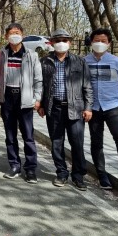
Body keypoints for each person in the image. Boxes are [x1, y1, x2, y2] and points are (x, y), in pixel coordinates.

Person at [38, 29, 93, 190]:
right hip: (53, 108)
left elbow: (88, 85)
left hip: (75, 108)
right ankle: (61, 173)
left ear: (70, 42)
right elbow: (40, 85)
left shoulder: (79, 61)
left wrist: (88, 107)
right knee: (56, 143)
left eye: (65, 40)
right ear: (52, 43)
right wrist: (41, 104)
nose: (61, 43)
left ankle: (78, 176)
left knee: (77, 143)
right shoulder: (45, 61)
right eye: (58, 40)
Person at [85, 28, 118, 190]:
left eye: (103, 41)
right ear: (91, 42)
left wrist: (113, 97)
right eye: (96, 40)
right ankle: (102, 175)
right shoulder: (84, 61)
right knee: (96, 142)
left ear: (109, 43)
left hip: (112, 107)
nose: (99, 43)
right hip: (93, 108)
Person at [0, 23, 43, 184]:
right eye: (11, 33)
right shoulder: (2, 53)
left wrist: (37, 98)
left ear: (23, 35)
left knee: (28, 136)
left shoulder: (31, 55)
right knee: (10, 136)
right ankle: (14, 165)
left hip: (25, 100)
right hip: (7, 98)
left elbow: (38, 78)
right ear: (6, 36)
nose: (14, 35)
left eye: (17, 32)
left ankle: (30, 169)